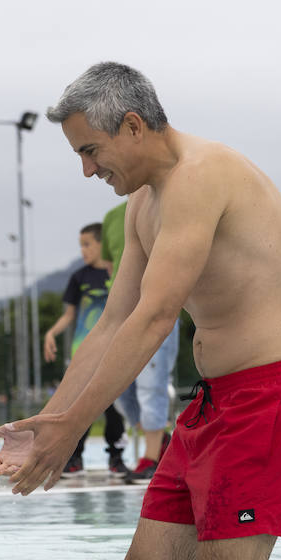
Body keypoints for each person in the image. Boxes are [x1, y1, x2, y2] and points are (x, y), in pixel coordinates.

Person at [0, 62, 281, 560]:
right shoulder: (142, 205)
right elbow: (111, 324)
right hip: (212, 402)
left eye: (90, 150)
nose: (87, 170)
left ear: (131, 125)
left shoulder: (202, 175)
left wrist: (75, 427)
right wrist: (50, 422)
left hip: (268, 399)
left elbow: (155, 317)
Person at [42, 223, 129, 475]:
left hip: (114, 351)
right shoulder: (79, 277)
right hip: (84, 352)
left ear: (103, 244)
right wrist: (51, 333)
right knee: (79, 405)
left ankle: (116, 456)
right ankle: (74, 457)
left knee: (113, 406)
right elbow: (69, 315)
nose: (83, 250)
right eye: (81, 245)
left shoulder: (119, 275)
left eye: (87, 244)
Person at [101, 200, 179, 481]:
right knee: (118, 387)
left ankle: (150, 456)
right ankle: (159, 441)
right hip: (123, 311)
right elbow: (111, 265)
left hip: (157, 305)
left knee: (151, 384)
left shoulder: (166, 208)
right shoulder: (112, 217)